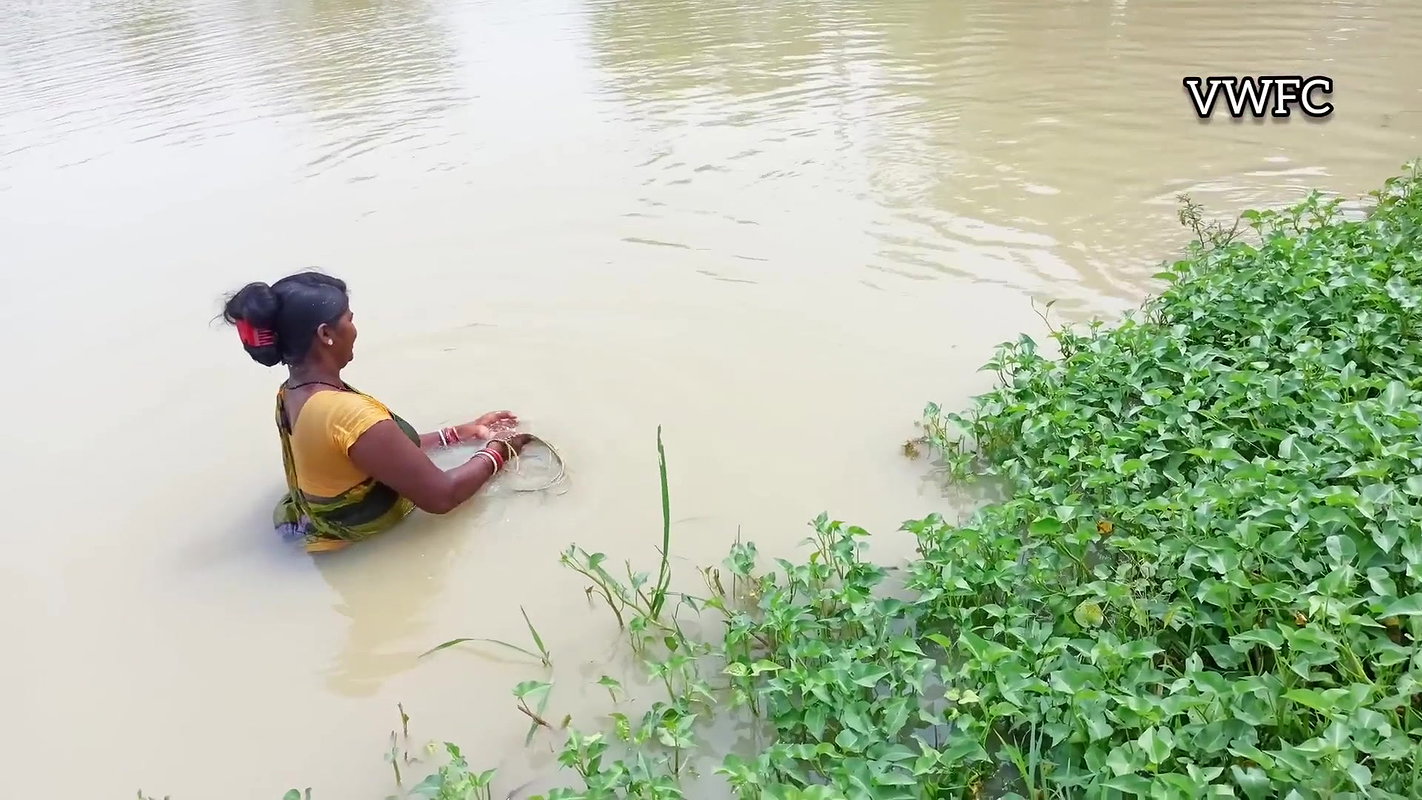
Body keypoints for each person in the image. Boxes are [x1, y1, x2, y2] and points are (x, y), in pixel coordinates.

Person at [220, 270, 532, 553]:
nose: (355, 329)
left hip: (305, 524)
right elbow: (442, 497)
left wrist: (458, 434)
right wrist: (500, 451)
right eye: (349, 319)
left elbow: (375, 453)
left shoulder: (294, 392)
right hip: (349, 542)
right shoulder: (346, 413)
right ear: (326, 334)